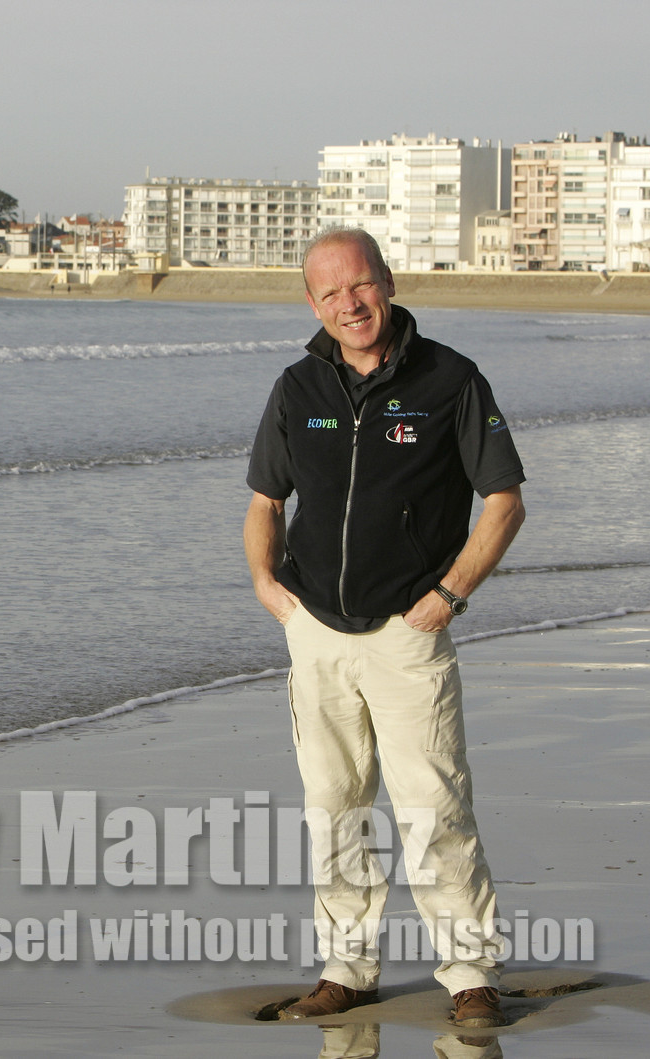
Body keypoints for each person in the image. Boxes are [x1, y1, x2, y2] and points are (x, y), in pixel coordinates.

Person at [244, 227, 526, 1029]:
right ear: (313, 302)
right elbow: (266, 501)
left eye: (360, 285)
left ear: (389, 282)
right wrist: (266, 582)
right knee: (333, 804)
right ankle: (346, 969)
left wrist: (450, 591)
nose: (350, 303)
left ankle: (470, 973)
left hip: (409, 629)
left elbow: (504, 502)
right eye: (330, 293)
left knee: (433, 806)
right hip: (317, 630)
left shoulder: (451, 380)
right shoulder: (298, 387)